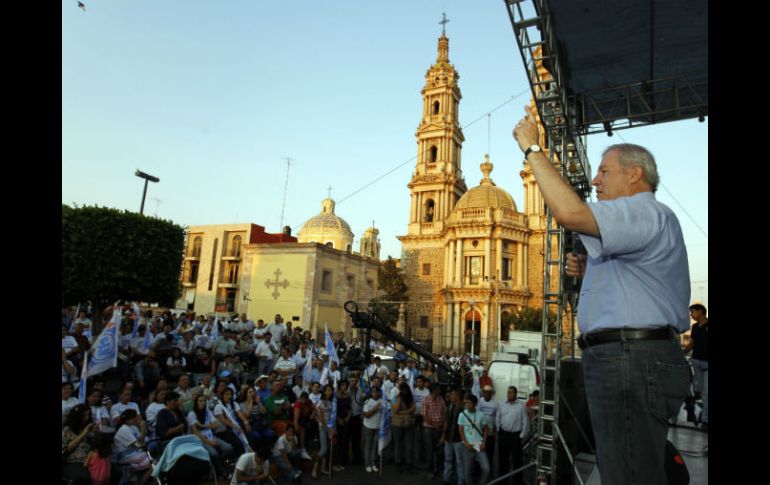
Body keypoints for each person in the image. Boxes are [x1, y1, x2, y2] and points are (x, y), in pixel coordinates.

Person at [513, 107, 691, 485]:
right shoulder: (638, 220)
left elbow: (569, 212)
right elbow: (633, 283)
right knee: (626, 467)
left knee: (627, 474)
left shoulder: (643, 212)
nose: (595, 180)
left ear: (634, 174)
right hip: (625, 358)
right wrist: (590, 272)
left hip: (631, 360)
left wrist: (532, 149)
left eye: (604, 172)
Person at [497, 386, 529, 485]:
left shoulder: (521, 406)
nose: (508, 394)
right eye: (508, 392)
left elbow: (525, 421)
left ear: (515, 394)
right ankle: (503, 481)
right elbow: (498, 417)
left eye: (511, 392)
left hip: (515, 436)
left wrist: (522, 434)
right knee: (503, 459)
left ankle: (517, 481)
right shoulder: (502, 404)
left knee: (517, 460)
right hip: (503, 434)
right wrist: (498, 430)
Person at [685, 303, 708, 429]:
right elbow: (692, 344)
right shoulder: (694, 327)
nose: (691, 315)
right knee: (698, 391)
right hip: (696, 362)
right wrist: (682, 353)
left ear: (701, 312)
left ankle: (705, 420)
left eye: (693, 312)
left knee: (706, 393)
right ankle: (697, 410)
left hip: (707, 364)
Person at [458, 394, 490, 485]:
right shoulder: (462, 414)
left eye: (470, 403)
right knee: (467, 471)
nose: (467, 405)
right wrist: (466, 443)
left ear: (475, 404)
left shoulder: (481, 415)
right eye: (466, 403)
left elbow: (486, 429)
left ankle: (482, 483)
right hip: (467, 445)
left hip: (478, 444)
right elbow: (461, 431)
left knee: (486, 468)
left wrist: (484, 442)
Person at [361, 385, 383, 473]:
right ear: (370, 393)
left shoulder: (381, 401)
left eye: (376, 391)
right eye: (373, 391)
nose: (375, 393)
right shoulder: (367, 401)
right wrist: (375, 408)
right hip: (368, 426)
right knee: (368, 446)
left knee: (374, 446)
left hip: (378, 427)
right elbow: (366, 415)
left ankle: (373, 463)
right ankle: (367, 464)